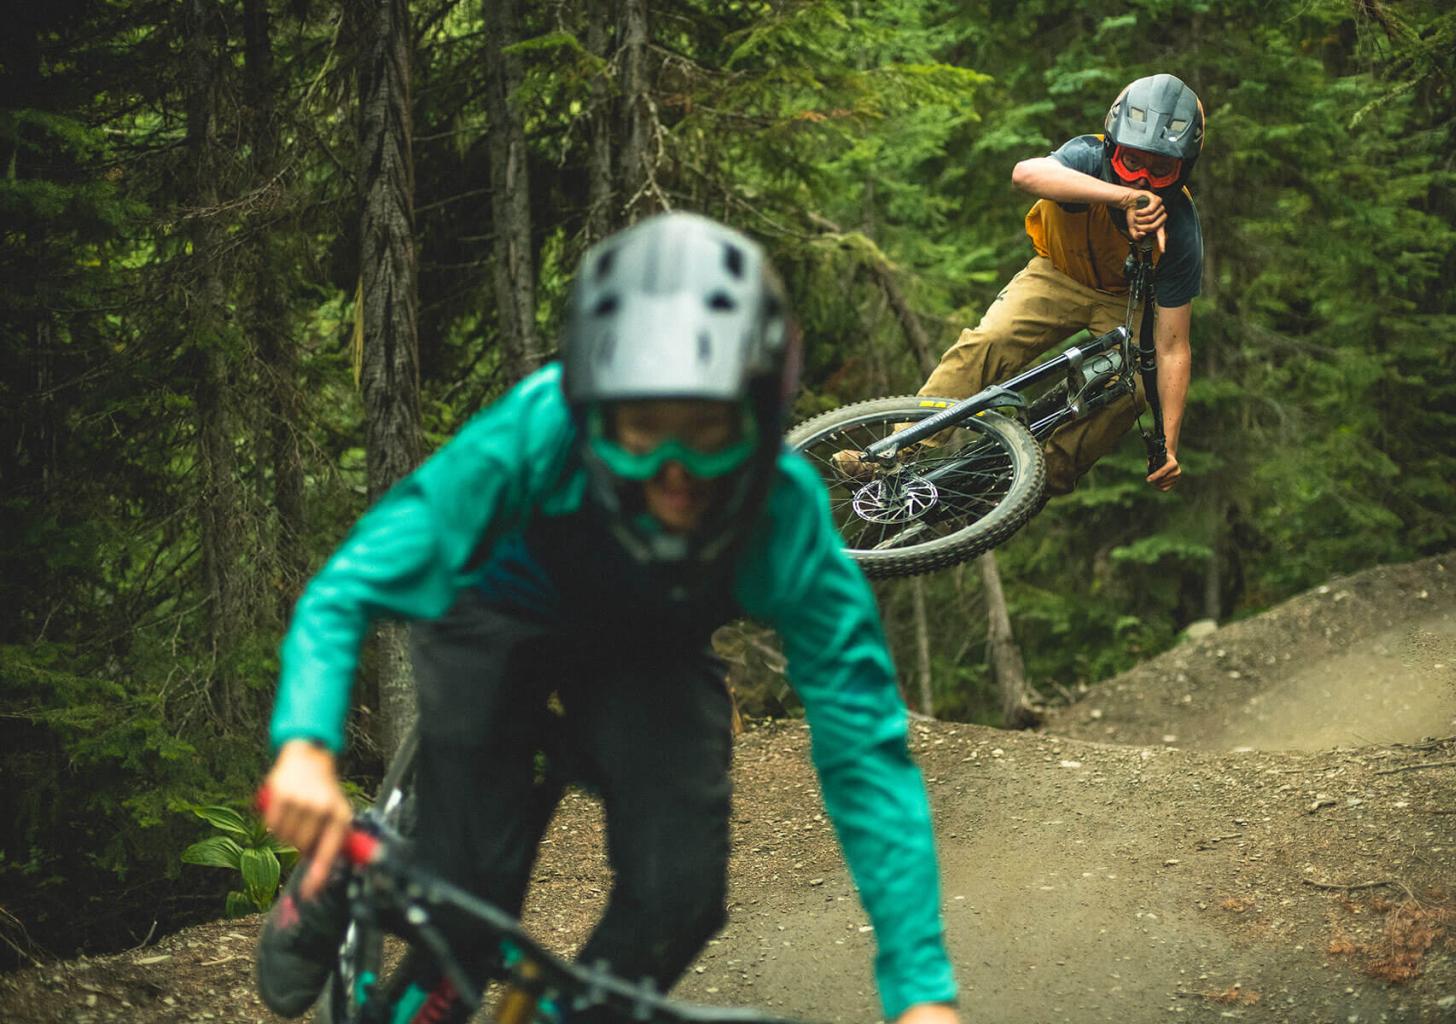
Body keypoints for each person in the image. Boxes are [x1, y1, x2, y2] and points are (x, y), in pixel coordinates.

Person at [254, 212, 961, 1024]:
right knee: (466, 910)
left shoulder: (782, 513)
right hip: (497, 618)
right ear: (593, 410)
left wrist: (921, 993)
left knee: (678, 901)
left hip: (647, 646)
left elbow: (863, 743)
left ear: (761, 415)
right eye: (642, 429)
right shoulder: (536, 430)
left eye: (707, 430)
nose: (674, 472)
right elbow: (350, 587)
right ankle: (339, 875)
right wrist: (305, 750)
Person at [843, 74, 1203, 500]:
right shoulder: (1087, 157)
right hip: (1056, 275)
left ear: (1182, 170)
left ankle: (1034, 483)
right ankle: (895, 451)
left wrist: (1168, 445)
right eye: (1131, 162)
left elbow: (1172, 347)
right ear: (1111, 148)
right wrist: (1119, 198)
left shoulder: (1181, 228)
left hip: (1125, 300)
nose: (1141, 179)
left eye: (1160, 170)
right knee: (989, 341)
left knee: (1136, 386)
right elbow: (1026, 174)